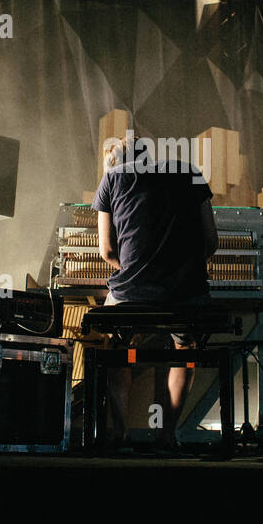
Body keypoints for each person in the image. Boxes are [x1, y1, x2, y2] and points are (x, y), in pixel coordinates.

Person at [92, 133, 218, 450]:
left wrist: (138, 270)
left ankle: (120, 432)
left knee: (115, 347)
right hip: (188, 294)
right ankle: (168, 434)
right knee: (185, 349)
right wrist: (179, 271)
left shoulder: (111, 179)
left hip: (131, 292)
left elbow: (107, 251)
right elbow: (211, 243)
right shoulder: (190, 171)